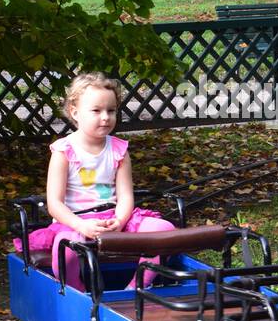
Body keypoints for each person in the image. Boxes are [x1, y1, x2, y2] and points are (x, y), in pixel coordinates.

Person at [20, 72, 175, 291]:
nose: (105, 117)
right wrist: (81, 225)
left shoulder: (119, 149)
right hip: (76, 222)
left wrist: (120, 221)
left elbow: (125, 196)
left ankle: (137, 286)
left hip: (113, 219)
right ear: (75, 112)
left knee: (164, 229)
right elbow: (54, 204)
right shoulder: (64, 150)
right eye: (96, 111)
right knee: (64, 250)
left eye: (111, 111)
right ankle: (78, 291)